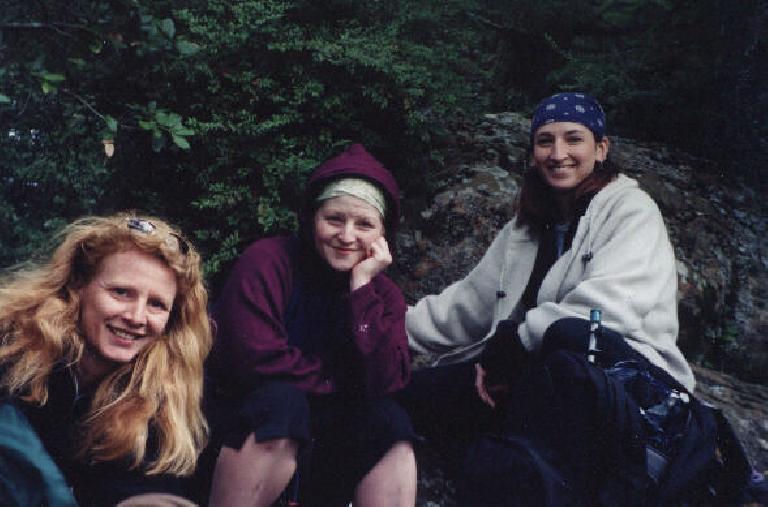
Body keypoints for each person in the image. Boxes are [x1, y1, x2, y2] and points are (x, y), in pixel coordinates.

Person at [404, 92, 695, 504]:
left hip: (619, 386)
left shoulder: (631, 211)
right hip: (533, 374)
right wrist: (384, 331)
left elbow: (607, 310)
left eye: (573, 139)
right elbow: (467, 306)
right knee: (409, 395)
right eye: (545, 141)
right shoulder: (528, 225)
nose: (558, 154)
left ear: (601, 148)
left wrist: (513, 344)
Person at [206, 143, 417, 507]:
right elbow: (253, 360)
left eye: (364, 224)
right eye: (334, 219)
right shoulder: (267, 262)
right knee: (282, 404)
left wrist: (362, 291)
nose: (347, 236)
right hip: (245, 431)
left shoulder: (383, 295)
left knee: (390, 422)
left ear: (383, 235)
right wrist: (338, 382)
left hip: (325, 439)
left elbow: (387, 380)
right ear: (312, 217)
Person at [0, 213, 212, 506]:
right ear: (78, 286)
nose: (136, 317)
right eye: (121, 292)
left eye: (156, 304)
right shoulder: (11, 348)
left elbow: (140, 488)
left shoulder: (158, 396)